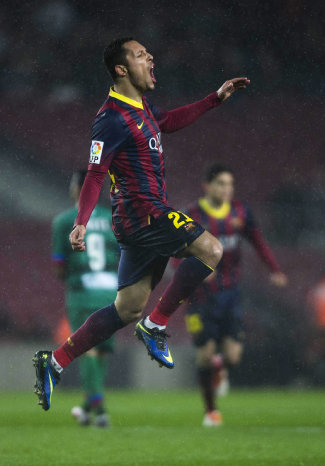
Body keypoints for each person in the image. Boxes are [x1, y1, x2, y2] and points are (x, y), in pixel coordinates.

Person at [33, 37, 250, 411]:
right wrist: (82, 221)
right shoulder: (110, 119)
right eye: (139, 54)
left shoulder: (143, 105)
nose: (149, 57)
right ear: (121, 69)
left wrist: (215, 98)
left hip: (140, 220)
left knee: (127, 309)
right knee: (211, 249)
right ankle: (156, 325)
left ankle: (53, 362)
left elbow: (167, 121)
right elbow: (96, 173)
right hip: (144, 213)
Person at [183, 164, 288, 426]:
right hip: (199, 297)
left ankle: (220, 369)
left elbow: (258, 241)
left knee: (233, 356)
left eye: (230, 184)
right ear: (207, 186)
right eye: (221, 183)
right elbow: (176, 252)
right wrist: (194, 270)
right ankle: (211, 411)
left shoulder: (241, 212)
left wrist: (274, 269)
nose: (227, 189)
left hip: (230, 293)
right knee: (204, 355)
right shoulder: (192, 215)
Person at [51, 170, 119, 427]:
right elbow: (122, 256)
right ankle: (87, 408)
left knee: (87, 349)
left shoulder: (64, 221)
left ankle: (99, 407)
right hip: (110, 292)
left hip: (82, 292)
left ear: (75, 188)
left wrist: (71, 276)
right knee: (100, 351)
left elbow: (59, 266)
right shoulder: (111, 219)